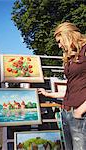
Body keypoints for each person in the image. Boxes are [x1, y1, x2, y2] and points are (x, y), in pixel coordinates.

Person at [38, 22, 86, 150]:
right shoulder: (71, 56)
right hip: (66, 112)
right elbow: (73, 86)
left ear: (68, 36)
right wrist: (49, 94)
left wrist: (81, 110)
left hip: (81, 114)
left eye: (60, 41)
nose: (59, 46)